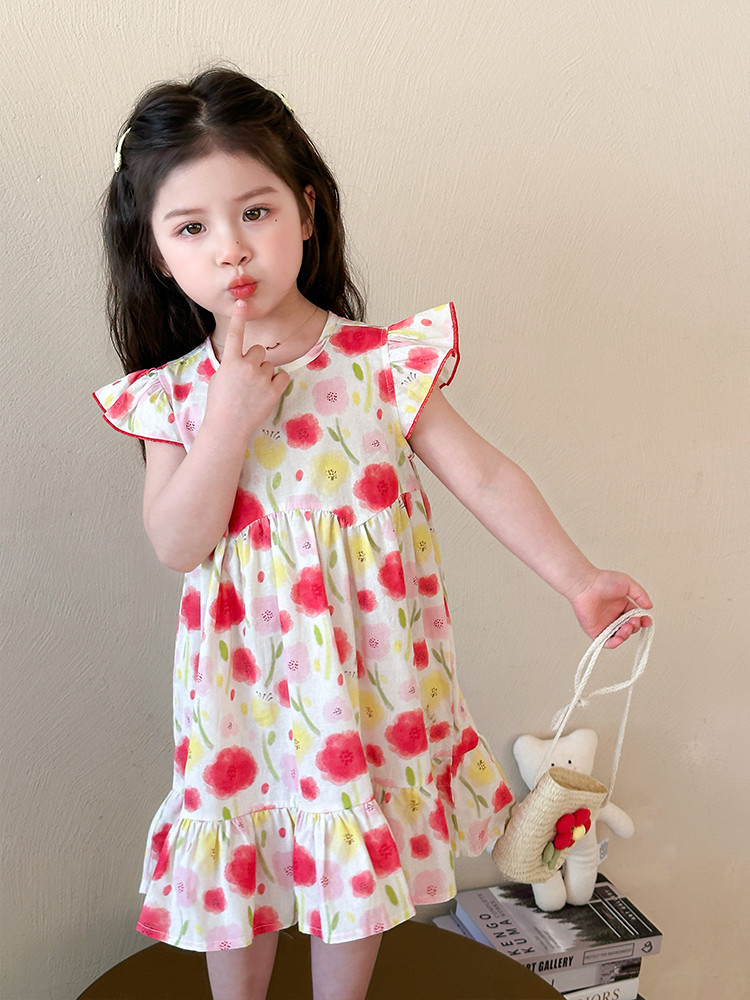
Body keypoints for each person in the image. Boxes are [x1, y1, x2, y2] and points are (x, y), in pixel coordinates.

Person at [93, 67, 652, 1000]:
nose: (231, 249)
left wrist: (578, 578)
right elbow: (177, 543)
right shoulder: (172, 398)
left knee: (355, 859)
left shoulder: (383, 366)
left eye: (256, 212)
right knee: (240, 850)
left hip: (369, 689)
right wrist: (227, 419)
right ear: (156, 254)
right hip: (241, 702)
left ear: (307, 212)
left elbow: (484, 476)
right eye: (191, 228)